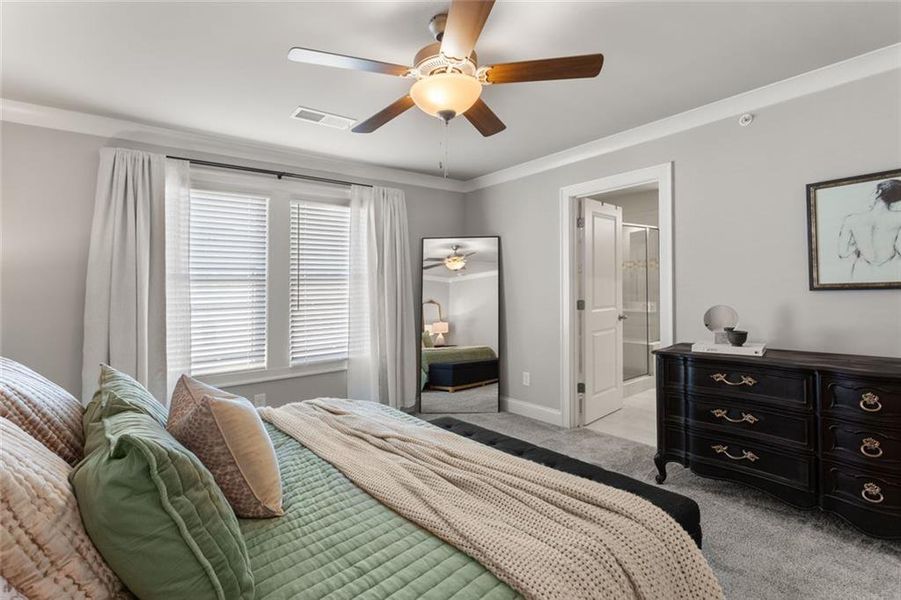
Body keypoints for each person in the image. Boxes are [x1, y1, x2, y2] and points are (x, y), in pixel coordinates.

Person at [837, 178, 901, 281]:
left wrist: (859, 244)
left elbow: (843, 253)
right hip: (893, 267)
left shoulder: (851, 220)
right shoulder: (898, 217)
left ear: (878, 192)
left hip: (863, 269)